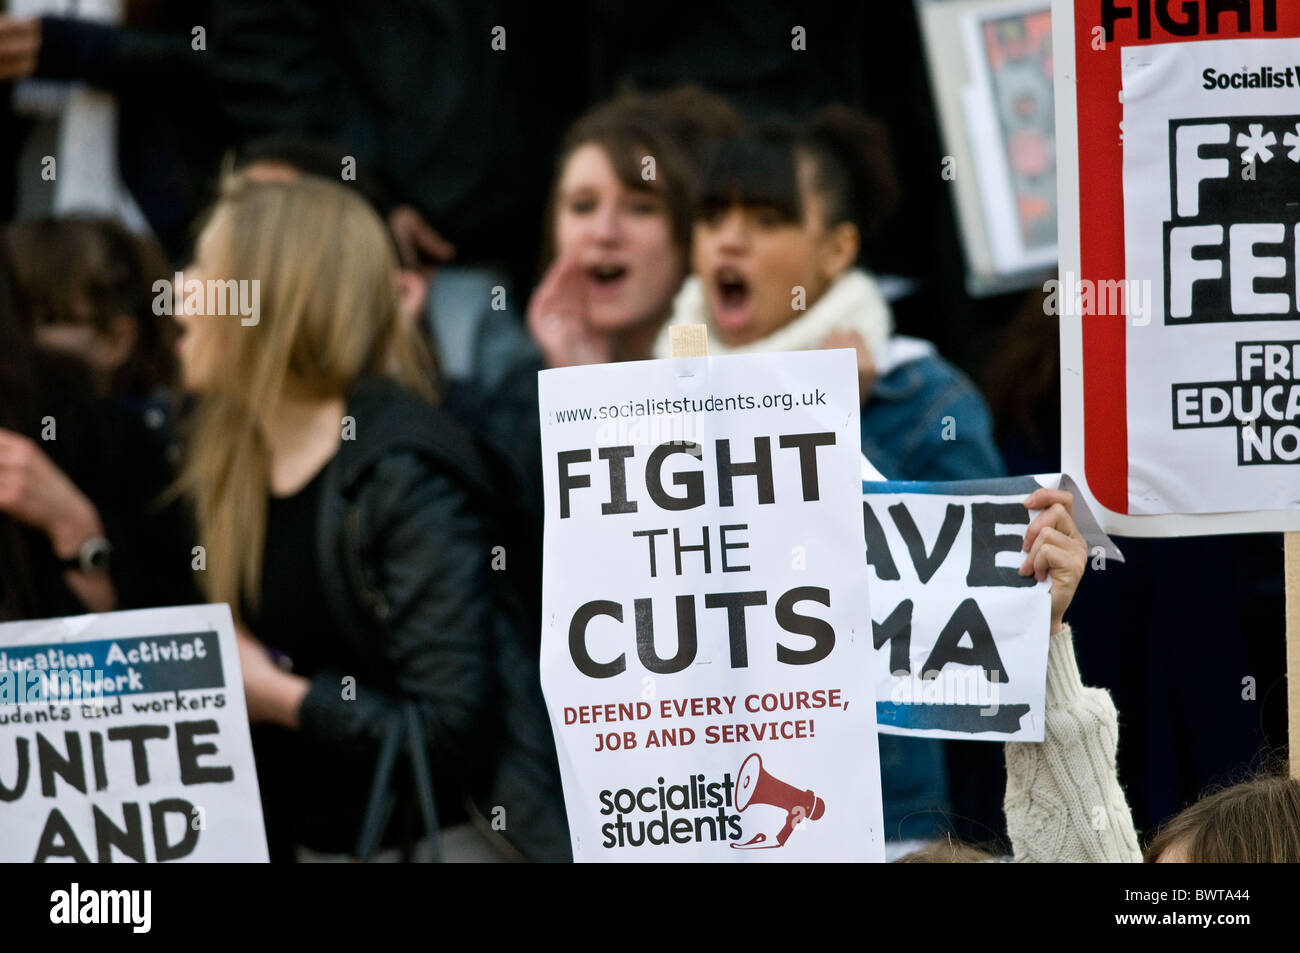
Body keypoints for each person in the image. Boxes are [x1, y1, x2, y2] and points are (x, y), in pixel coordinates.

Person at [173, 173, 568, 861]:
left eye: (205, 271)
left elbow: (450, 731)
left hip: (437, 843)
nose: (178, 292)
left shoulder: (404, 469)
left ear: (269, 299)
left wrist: (285, 696)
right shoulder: (222, 452)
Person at [652, 107, 1005, 850]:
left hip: (884, 827)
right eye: (713, 214)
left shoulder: (923, 399)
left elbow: (995, 629)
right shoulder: (645, 398)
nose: (730, 237)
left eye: (768, 217)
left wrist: (832, 435)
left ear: (837, 250)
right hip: (686, 817)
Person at [528, 87, 741, 368]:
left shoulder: (760, 376)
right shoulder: (514, 386)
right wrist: (577, 376)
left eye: (641, 208)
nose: (604, 232)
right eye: (583, 206)